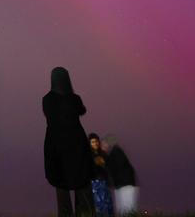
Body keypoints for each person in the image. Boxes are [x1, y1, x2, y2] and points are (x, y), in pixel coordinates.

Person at [43, 67, 95, 217]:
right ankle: (84, 213)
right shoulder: (74, 98)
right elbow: (82, 110)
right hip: (76, 144)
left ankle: (65, 214)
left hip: (55, 144)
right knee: (82, 182)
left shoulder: (47, 99)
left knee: (61, 184)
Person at [100, 135, 138, 214]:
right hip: (122, 185)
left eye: (103, 144)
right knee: (123, 210)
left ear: (109, 143)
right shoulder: (115, 152)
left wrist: (103, 156)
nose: (102, 146)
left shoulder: (116, 152)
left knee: (127, 210)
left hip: (125, 185)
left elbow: (113, 167)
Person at [87, 134, 112, 217]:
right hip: (95, 183)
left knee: (107, 203)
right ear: (89, 143)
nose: (95, 143)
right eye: (93, 142)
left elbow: (109, 167)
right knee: (99, 204)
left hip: (104, 182)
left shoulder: (103, 154)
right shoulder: (89, 155)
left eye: (96, 141)